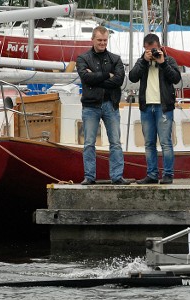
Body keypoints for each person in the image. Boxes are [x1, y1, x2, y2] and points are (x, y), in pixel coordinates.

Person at [76, 26, 128, 185]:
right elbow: (86, 78)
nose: (102, 43)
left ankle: (117, 176)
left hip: (110, 104)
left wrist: (96, 77)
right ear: (92, 39)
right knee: (89, 143)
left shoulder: (116, 59)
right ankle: (89, 177)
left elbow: (119, 80)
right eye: (99, 40)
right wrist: (107, 75)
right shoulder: (82, 58)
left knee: (116, 143)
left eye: (105, 40)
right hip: (91, 106)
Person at [128, 34, 182, 184]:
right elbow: (132, 77)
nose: (152, 52)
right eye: (148, 49)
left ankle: (168, 174)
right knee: (149, 143)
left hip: (163, 106)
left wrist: (163, 63)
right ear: (144, 48)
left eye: (154, 49)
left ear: (159, 46)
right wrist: (144, 61)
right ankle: (151, 174)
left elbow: (176, 79)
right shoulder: (142, 62)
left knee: (165, 142)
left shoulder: (168, 60)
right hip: (147, 107)